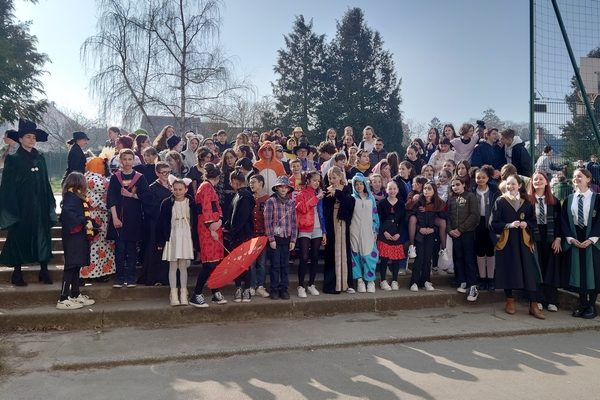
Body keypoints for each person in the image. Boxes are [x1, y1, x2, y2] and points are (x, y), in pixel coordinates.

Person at [0, 119, 56, 286]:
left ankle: (44, 271)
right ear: (21, 139)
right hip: (22, 206)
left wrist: (49, 203)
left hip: (40, 205)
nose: (32, 139)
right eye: (29, 137)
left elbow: (45, 182)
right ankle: (17, 274)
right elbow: (8, 185)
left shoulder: (40, 158)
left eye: (34, 137)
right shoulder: (13, 159)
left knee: (43, 236)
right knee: (19, 236)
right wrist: (12, 208)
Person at [490, 174, 544, 319]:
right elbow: (493, 224)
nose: (510, 186)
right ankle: (510, 301)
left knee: (529, 271)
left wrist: (527, 224)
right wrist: (508, 225)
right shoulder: (500, 201)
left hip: (524, 241)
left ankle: (533, 304)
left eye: (513, 184)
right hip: (507, 241)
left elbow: (533, 221)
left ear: (519, 185)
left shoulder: (526, 202)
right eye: (508, 184)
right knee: (508, 270)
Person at [106, 149, 150, 288]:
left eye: (130, 159)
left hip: (134, 219)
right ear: (120, 161)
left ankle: (130, 277)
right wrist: (114, 218)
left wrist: (131, 195)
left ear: (134, 160)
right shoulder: (115, 177)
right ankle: (119, 278)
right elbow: (111, 199)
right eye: (124, 159)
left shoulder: (140, 177)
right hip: (119, 218)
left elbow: (147, 197)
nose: (127, 162)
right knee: (119, 249)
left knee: (131, 249)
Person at [562, 168, 600, 319]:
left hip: (593, 239)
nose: (577, 178)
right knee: (579, 272)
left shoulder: (597, 198)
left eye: (580, 176)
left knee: (593, 273)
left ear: (588, 179)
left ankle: (591, 305)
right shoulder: (569, 199)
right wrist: (570, 238)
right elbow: (564, 220)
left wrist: (592, 239)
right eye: (575, 176)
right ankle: (582, 303)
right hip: (576, 237)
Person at [189, 163, 228, 308]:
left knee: (214, 262)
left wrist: (218, 222)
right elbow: (206, 209)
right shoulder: (206, 187)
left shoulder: (206, 186)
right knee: (209, 263)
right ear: (218, 177)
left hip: (213, 226)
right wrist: (212, 226)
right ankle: (197, 293)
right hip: (208, 228)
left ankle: (214, 290)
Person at [57, 172, 96, 310]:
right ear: (79, 182)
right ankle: (63, 298)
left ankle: (75, 294)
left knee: (76, 266)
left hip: (79, 236)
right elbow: (69, 213)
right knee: (70, 266)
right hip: (73, 236)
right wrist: (84, 222)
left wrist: (93, 224)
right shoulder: (71, 196)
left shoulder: (75, 196)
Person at [157, 176, 198, 306]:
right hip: (173, 236)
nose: (178, 192)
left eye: (180, 189)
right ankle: (173, 293)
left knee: (183, 265)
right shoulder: (166, 203)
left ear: (186, 189)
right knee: (173, 265)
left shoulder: (191, 203)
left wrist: (195, 242)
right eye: (175, 189)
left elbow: (195, 222)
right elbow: (161, 223)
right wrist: (161, 241)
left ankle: (183, 292)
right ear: (172, 189)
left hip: (186, 236)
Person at [528, 171, 562, 312]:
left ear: (547, 182)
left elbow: (560, 222)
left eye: (541, 179)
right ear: (532, 183)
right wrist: (528, 240)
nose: (538, 181)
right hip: (534, 237)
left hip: (550, 237)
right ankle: (538, 299)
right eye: (535, 179)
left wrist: (558, 238)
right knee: (537, 268)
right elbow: (526, 221)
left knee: (550, 268)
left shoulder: (554, 201)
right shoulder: (527, 201)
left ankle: (552, 300)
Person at [80, 156, 115, 281]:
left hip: (94, 215)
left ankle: (95, 272)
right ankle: (96, 273)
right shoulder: (94, 178)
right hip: (97, 216)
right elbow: (107, 186)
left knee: (97, 245)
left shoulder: (86, 176)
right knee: (98, 246)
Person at [138, 162, 172, 286]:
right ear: (157, 173)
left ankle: (167, 277)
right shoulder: (152, 188)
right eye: (164, 172)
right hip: (156, 224)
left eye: (168, 172)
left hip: (169, 223)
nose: (166, 175)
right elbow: (149, 207)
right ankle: (154, 277)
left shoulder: (172, 185)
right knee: (155, 250)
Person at [407, 181, 446, 291]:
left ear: (434, 191)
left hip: (430, 234)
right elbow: (411, 215)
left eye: (429, 189)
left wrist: (432, 229)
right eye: (424, 188)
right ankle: (414, 282)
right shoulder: (418, 201)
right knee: (419, 258)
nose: (426, 191)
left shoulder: (438, 203)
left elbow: (442, 219)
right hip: (419, 234)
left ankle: (426, 281)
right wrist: (420, 229)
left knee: (428, 258)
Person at [264, 176, 298, 300]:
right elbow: (267, 222)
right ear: (277, 188)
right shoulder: (271, 201)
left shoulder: (291, 203)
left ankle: (284, 289)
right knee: (275, 265)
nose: (283, 189)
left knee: (285, 265)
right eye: (281, 187)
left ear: (288, 189)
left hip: (287, 237)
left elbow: (294, 223)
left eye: (285, 187)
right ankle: (274, 289)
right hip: (275, 238)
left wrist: (293, 239)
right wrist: (271, 238)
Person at [447, 177, 480, 301]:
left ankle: (473, 286)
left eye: (457, 184)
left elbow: (474, 215)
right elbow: (448, 216)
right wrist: (450, 230)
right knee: (458, 257)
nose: (455, 187)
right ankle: (462, 281)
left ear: (463, 184)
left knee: (468, 258)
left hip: (467, 233)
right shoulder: (451, 199)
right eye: (453, 185)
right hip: (454, 234)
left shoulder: (470, 196)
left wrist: (461, 229)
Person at [323, 166, 354, 294]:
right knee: (331, 253)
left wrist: (338, 194)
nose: (332, 180)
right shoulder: (326, 190)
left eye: (334, 177)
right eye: (330, 178)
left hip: (343, 223)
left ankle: (346, 284)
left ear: (340, 177)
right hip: (331, 224)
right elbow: (325, 208)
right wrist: (329, 197)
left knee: (345, 252)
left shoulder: (346, 189)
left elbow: (350, 203)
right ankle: (331, 285)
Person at [226, 168, 256, 303]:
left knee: (244, 264)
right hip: (239, 234)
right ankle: (240, 288)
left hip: (243, 235)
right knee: (239, 264)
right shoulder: (239, 195)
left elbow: (241, 218)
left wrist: (232, 232)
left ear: (234, 182)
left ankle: (246, 289)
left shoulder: (245, 196)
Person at [295, 171, 327, 298]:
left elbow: (321, 214)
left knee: (314, 256)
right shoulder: (301, 193)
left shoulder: (319, 194)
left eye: (318, 181)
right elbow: (302, 208)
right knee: (303, 257)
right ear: (307, 180)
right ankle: (301, 285)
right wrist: (316, 198)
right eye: (314, 180)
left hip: (318, 228)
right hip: (305, 227)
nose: (316, 183)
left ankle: (311, 284)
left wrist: (324, 231)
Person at [349, 173, 380, 293]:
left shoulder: (370, 198)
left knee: (369, 255)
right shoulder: (352, 198)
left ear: (364, 185)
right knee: (355, 255)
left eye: (360, 184)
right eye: (356, 184)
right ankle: (360, 280)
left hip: (368, 231)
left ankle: (370, 280)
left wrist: (375, 230)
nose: (358, 186)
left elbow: (375, 215)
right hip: (354, 230)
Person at [472, 167, 500, 291]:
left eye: (483, 177)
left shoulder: (494, 191)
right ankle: (482, 278)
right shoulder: (472, 191)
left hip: (490, 223)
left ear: (488, 178)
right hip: (477, 224)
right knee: (479, 251)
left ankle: (491, 279)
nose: (481, 180)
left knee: (490, 250)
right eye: (478, 177)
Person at [377, 180, 406, 291]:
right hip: (385, 233)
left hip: (396, 233)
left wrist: (399, 233)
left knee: (395, 259)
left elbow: (403, 221)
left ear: (397, 190)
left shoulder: (401, 204)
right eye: (390, 189)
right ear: (386, 190)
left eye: (394, 188)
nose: (392, 191)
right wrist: (384, 231)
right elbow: (379, 219)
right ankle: (383, 280)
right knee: (384, 259)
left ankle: (395, 280)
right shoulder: (382, 203)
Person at [248, 175, 270, 298]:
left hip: (263, 235)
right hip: (251, 235)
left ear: (261, 183)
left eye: (254, 182)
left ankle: (260, 286)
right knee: (251, 262)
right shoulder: (249, 198)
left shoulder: (267, 199)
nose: (251, 184)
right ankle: (251, 285)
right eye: (250, 182)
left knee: (261, 262)